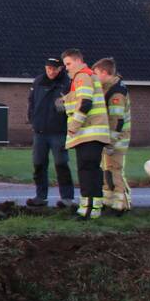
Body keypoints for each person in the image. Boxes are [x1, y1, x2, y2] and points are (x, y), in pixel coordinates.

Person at [58, 48, 110, 220]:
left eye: (68, 63)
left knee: (86, 171)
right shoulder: (88, 76)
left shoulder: (82, 77)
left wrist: (73, 126)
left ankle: (86, 210)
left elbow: (85, 103)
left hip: (88, 134)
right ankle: (93, 209)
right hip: (93, 135)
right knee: (92, 171)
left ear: (78, 61)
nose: (66, 68)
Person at [25, 58, 74, 207]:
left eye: (54, 69)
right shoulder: (39, 82)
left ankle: (67, 198)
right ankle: (41, 197)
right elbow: (31, 102)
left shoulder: (67, 83)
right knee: (39, 164)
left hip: (59, 131)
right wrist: (32, 119)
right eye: (48, 68)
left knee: (61, 163)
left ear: (60, 69)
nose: (51, 71)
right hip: (40, 132)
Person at [93, 57, 131, 214]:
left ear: (104, 72)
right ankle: (109, 201)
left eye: (96, 73)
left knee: (114, 170)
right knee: (107, 170)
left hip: (116, 140)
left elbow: (117, 119)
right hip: (110, 138)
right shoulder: (110, 87)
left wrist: (110, 142)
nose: (94, 77)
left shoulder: (116, 92)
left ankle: (122, 204)